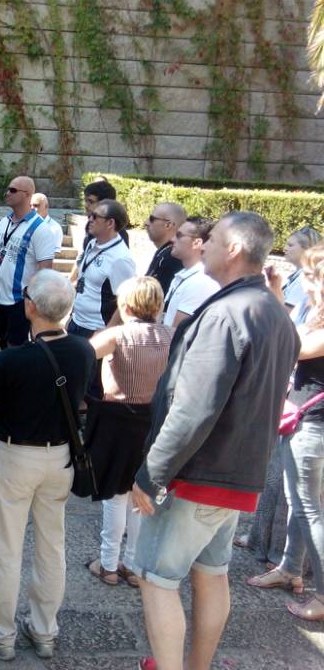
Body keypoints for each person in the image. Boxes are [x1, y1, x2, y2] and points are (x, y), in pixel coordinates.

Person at [130, 211, 300, 670]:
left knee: (156, 578)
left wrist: (151, 474)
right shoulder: (273, 312)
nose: (203, 245)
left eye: (213, 239)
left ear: (234, 249)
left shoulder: (227, 313)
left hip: (198, 474)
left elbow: (194, 408)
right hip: (238, 474)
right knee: (212, 574)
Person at [0, 270, 96, 662]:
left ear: (30, 307)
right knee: (52, 545)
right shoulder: (84, 351)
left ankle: (1, 631)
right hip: (61, 456)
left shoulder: (14, 358)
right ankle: (44, 629)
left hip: (17, 455)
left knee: (7, 548)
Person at [248, 244, 324, 621]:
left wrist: (276, 299)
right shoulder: (315, 313)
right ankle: (290, 568)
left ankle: (322, 596)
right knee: (301, 503)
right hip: (305, 418)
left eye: (310, 276)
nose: (304, 283)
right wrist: (277, 294)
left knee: (309, 508)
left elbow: (291, 346)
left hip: (314, 423)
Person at [84, 277, 173, 588]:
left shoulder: (117, 335)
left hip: (117, 419)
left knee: (114, 496)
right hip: (154, 420)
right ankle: (133, 564)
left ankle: (108, 563)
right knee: (140, 495)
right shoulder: (173, 335)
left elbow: (84, 352)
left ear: (125, 304)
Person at [0, 177, 60, 358]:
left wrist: (33, 301)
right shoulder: (3, 222)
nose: (7, 193)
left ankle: (12, 375)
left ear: (27, 195)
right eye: (8, 189)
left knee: (15, 349)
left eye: (13, 190)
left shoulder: (40, 229)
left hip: (19, 300)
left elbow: (45, 270)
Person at [68, 199, 135, 340]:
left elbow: (127, 300)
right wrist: (71, 317)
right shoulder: (92, 243)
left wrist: (106, 334)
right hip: (77, 322)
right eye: (90, 215)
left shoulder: (120, 258)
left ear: (110, 223)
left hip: (96, 330)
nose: (90, 219)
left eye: (95, 216)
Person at [162, 217, 219, 327]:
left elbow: (177, 331)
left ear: (197, 243)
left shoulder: (200, 282)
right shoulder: (185, 275)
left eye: (179, 235)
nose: (172, 239)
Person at [276, 226, 322, 316]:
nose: (285, 248)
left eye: (290, 245)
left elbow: (285, 314)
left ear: (307, 249)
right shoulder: (299, 276)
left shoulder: (305, 279)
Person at [143, 203, 187, 293]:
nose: (146, 223)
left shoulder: (172, 257)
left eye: (152, 219)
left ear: (168, 225)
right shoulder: (165, 253)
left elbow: (154, 298)